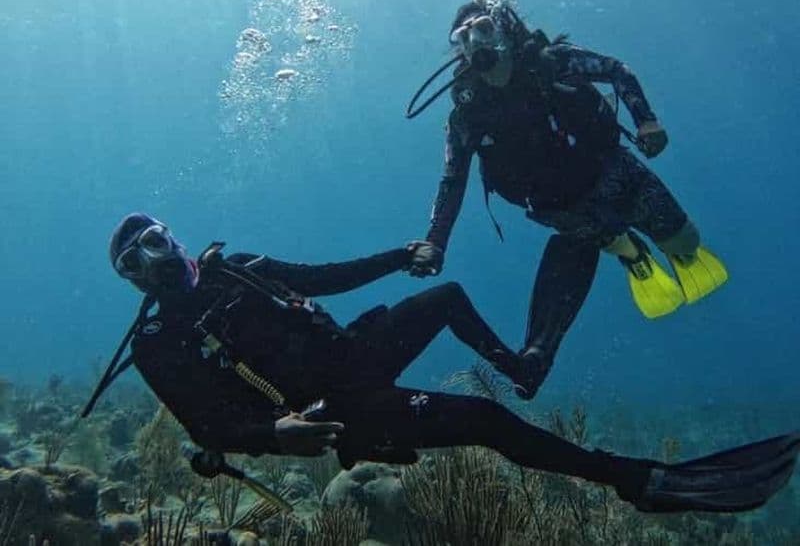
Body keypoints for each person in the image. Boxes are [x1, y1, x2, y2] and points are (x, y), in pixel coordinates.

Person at [88, 212, 799, 515]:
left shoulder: (239, 268)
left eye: (152, 239)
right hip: (338, 413)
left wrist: (401, 257)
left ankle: (522, 366)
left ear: (172, 235)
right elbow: (207, 426)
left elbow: (327, 276)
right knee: (485, 420)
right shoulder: (157, 343)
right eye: (132, 261)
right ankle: (639, 480)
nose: (150, 259)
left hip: (355, 352)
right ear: (130, 281)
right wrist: (278, 435)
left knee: (449, 296)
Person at [406, 0, 729, 400]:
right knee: (595, 238)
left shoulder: (552, 62)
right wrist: (436, 242)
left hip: (616, 171)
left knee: (686, 241)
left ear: (504, 28)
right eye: (463, 37)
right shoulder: (467, 113)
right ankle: (631, 256)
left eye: (484, 27)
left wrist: (646, 120)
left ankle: (651, 248)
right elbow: (453, 178)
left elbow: (617, 71)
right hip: (560, 205)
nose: (474, 41)